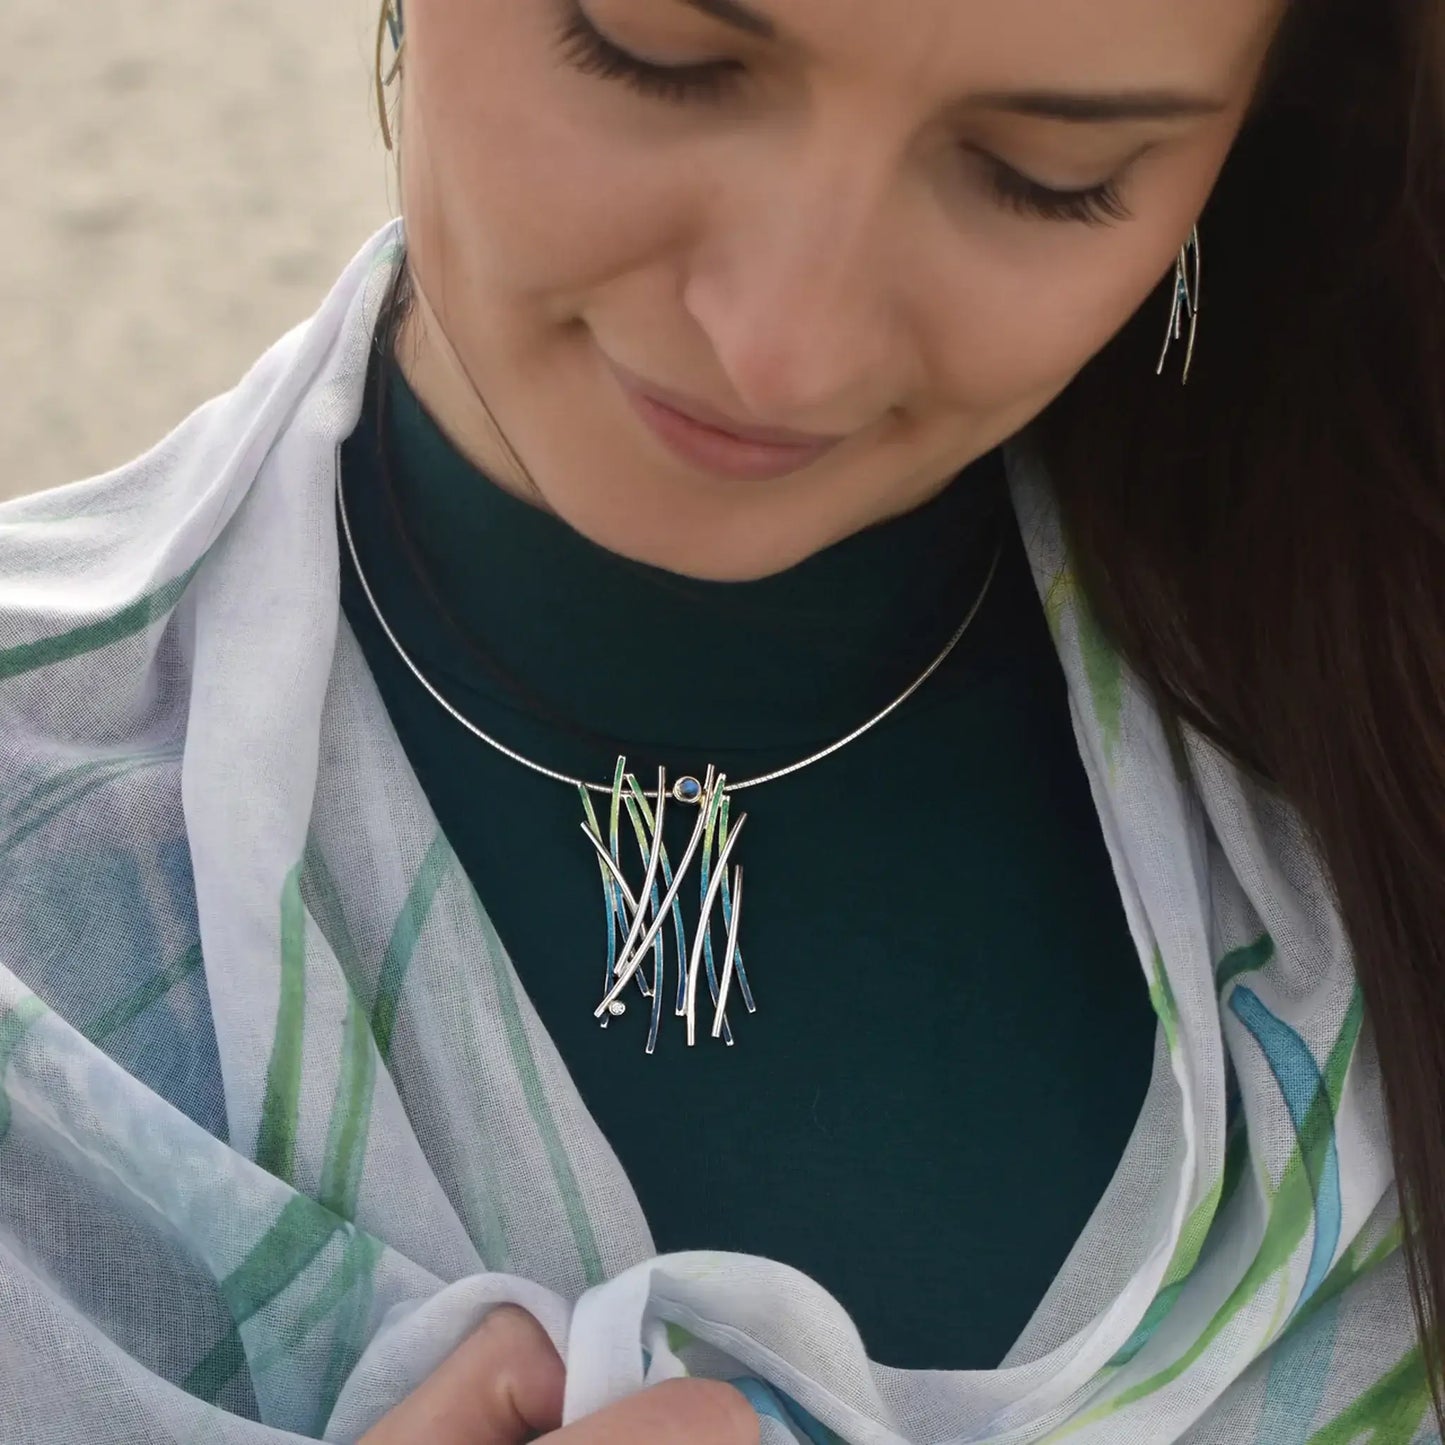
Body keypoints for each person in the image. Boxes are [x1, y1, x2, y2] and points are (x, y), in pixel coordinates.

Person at [0, 0, 1441, 1440]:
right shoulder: (40, 878)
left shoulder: (1375, 707)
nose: (781, 350)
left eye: (1045, 173)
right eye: (654, 57)